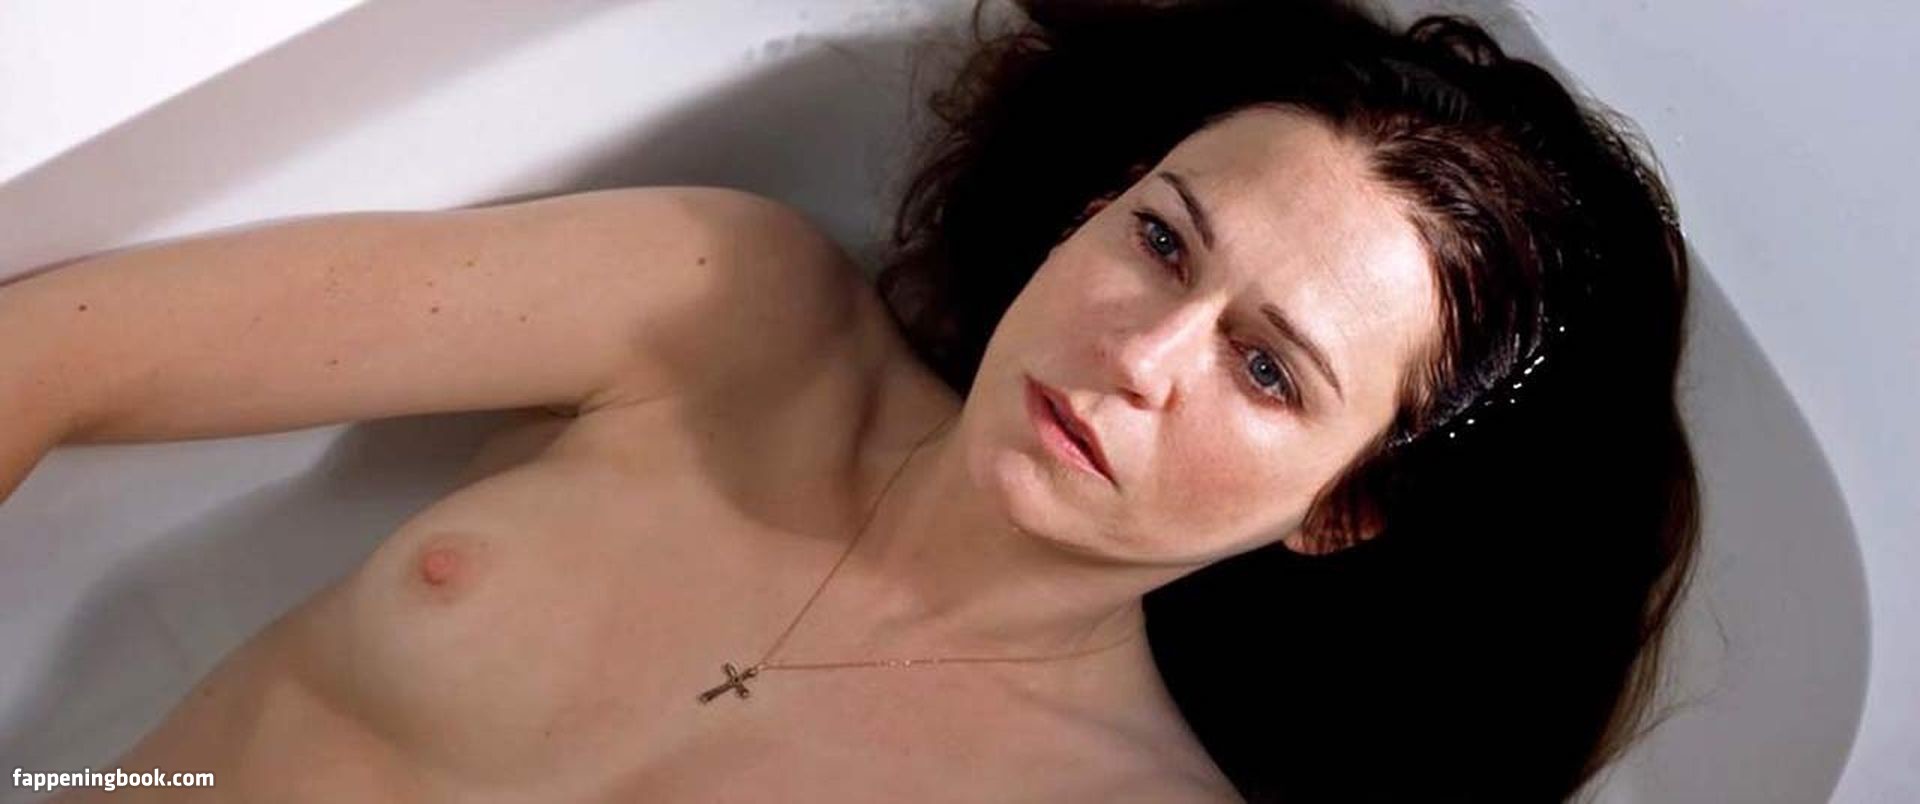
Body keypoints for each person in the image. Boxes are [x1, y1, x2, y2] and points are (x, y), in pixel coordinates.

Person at [0, 0, 1698, 801]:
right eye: (1163, 240)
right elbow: (59, 351)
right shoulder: (725, 313)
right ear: (1097, 202)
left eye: (1267, 370)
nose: (1143, 350)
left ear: (1343, 506)